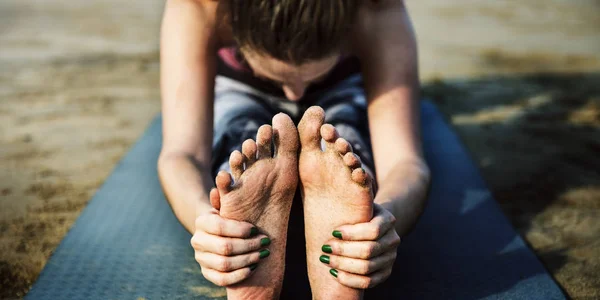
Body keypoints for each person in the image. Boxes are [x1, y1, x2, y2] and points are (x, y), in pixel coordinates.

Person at [158, 0, 430, 299]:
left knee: (343, 148)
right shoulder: (200, 5)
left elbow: (404, 161)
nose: (296, 95)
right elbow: (183, 153)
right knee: (241, 143)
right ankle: (239, 210)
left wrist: (383, 220)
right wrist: (207, 223)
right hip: (239, 86)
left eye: (311, 75)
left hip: (338, 87)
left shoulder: (376, 7)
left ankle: (351, 209)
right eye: (277, 77)